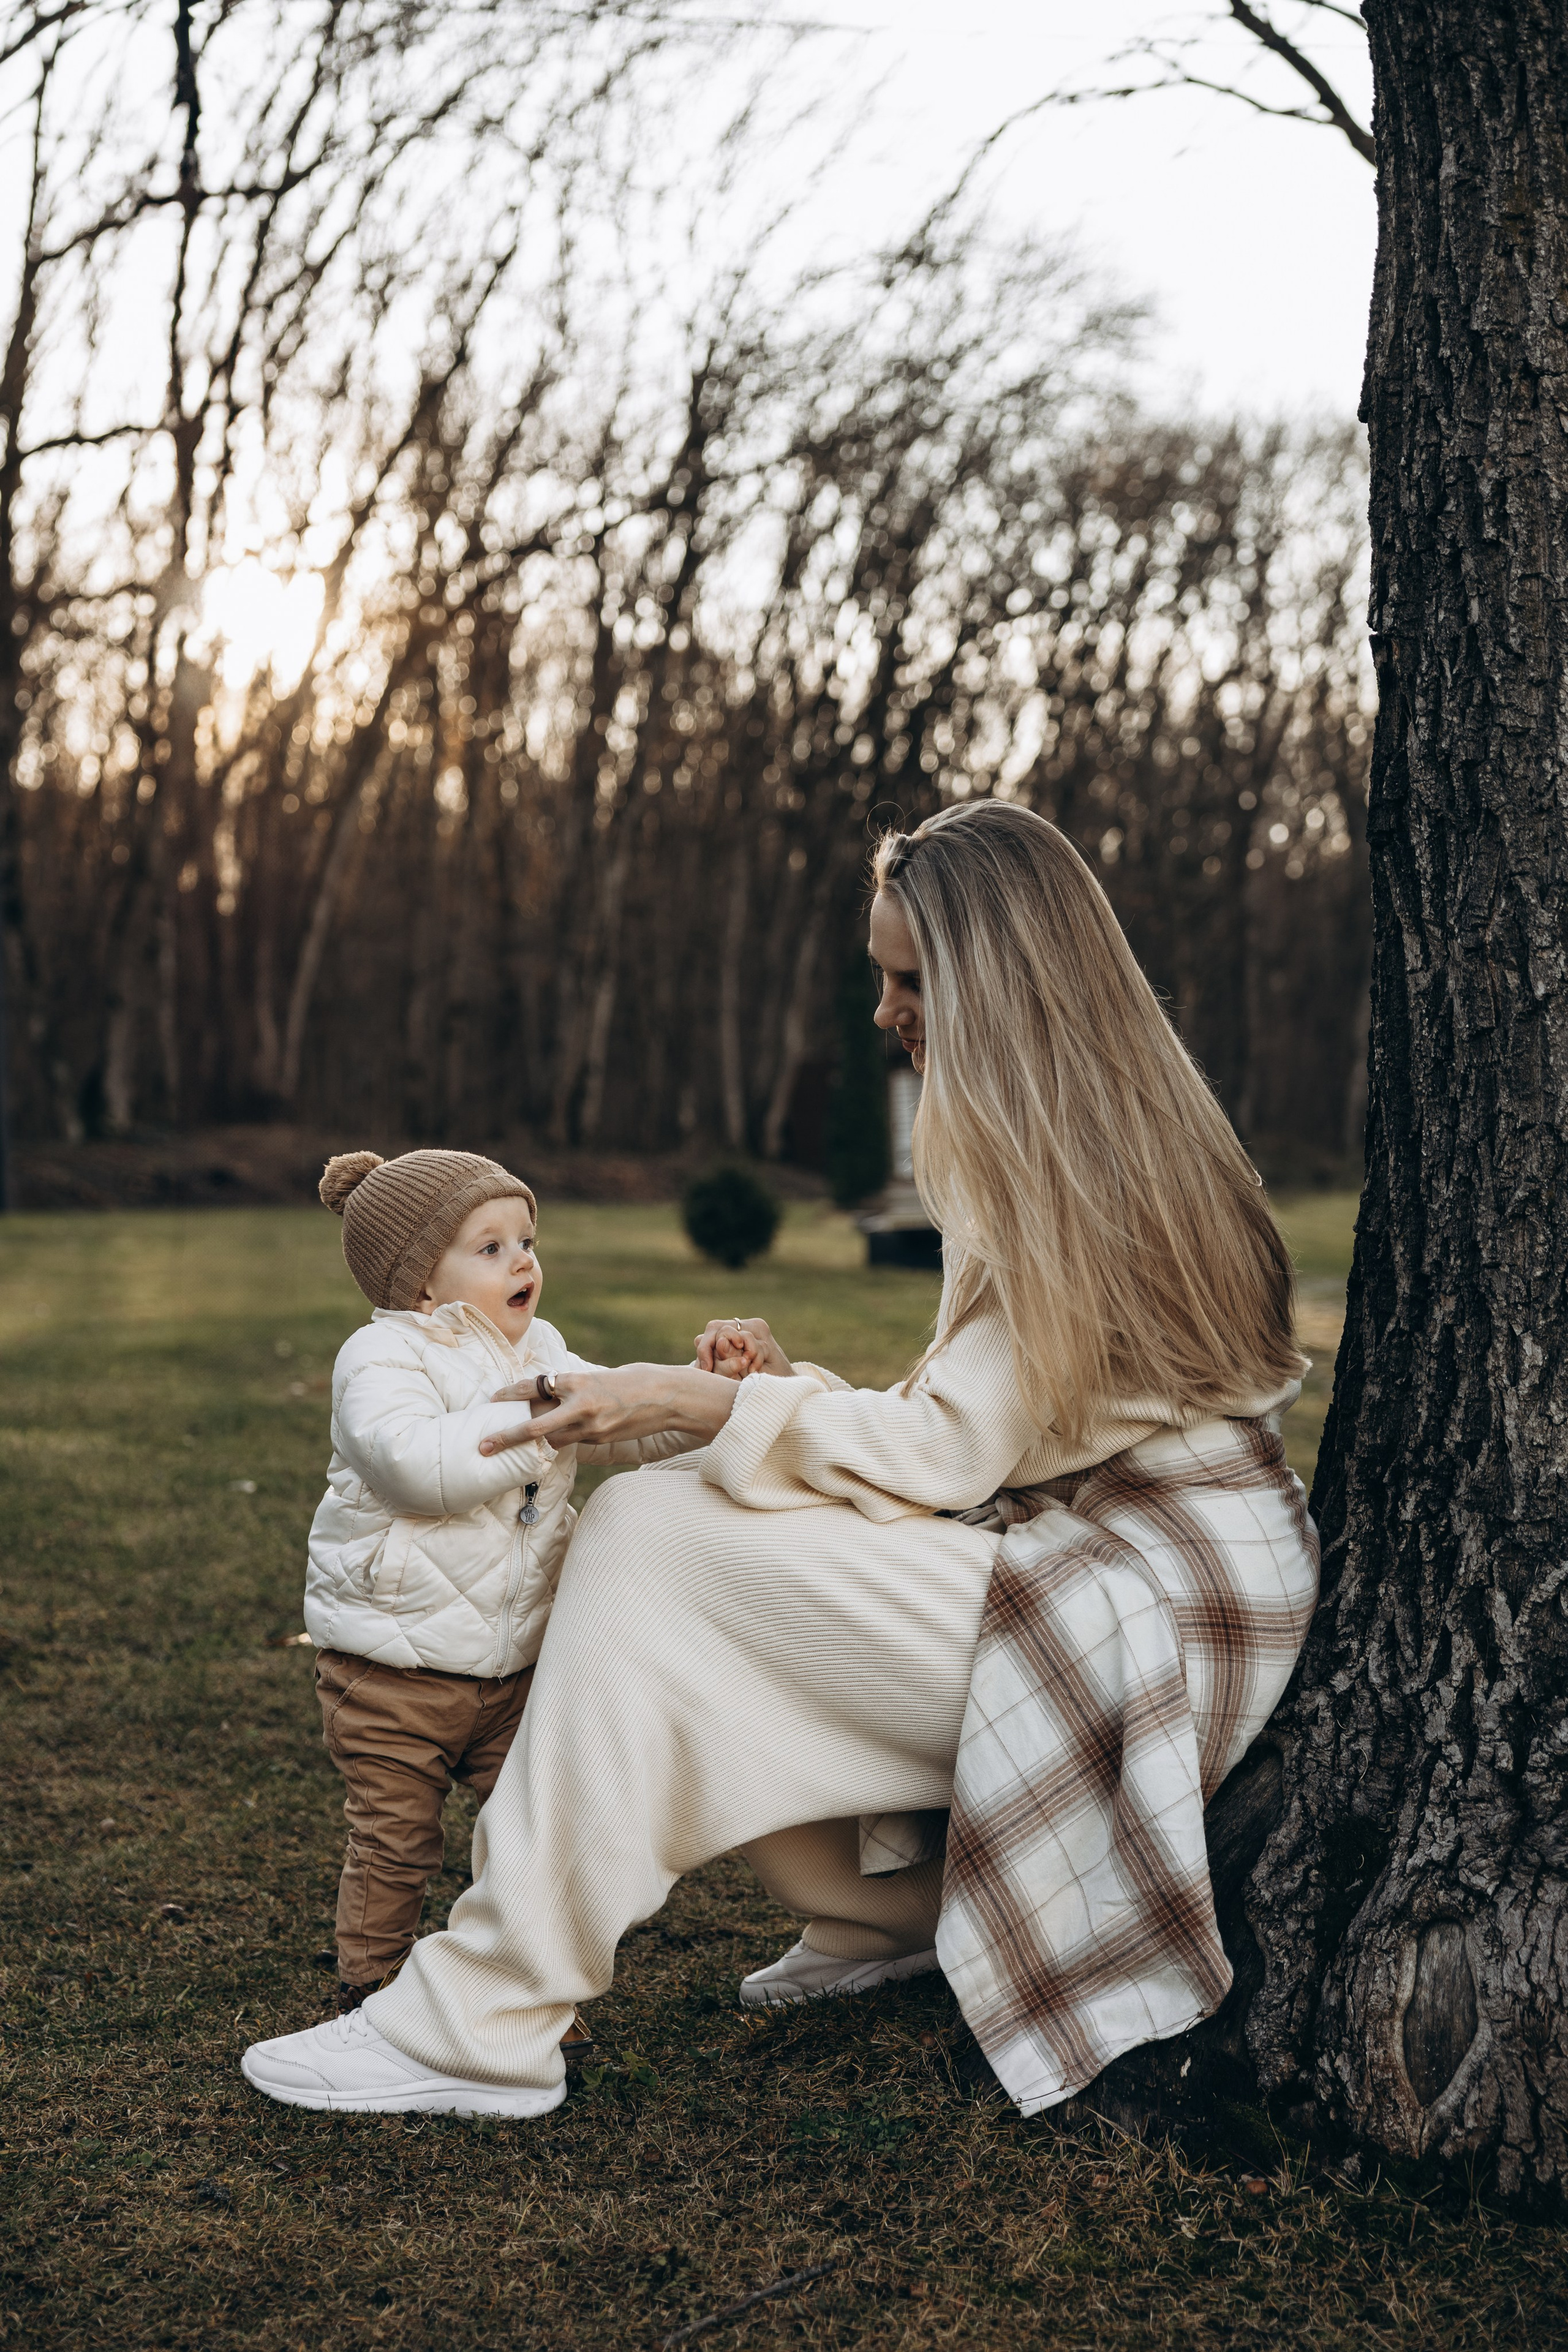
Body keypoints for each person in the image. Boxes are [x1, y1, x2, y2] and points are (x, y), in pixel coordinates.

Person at [241, 800, 1312, 2119]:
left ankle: (484, 2017)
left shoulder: (1066, 1182)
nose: (883, 1011)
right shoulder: (1092, 1140)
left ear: (997, 986)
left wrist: (687, 1400)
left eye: (909, 981)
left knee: (652, 1537)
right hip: (1137, 1566)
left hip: (1145, 1607)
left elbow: (945, 1453)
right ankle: (880, 1913)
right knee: (695, 1518)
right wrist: (771, 1398)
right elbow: (984, 1424)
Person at [296, 1147, 700, 2020]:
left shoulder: (540, 1350)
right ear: (419, 1282)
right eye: (490, 1248)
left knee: (534, 1830)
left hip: (515, 1666)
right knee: (398, 1841)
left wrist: (704, 1400)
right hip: (391, 1670)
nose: (522, 1262)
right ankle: (370, 1989)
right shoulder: (381, 1359)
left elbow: (618, 1426)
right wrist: (544, 1418)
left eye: (527, 1241)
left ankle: (522, 1986)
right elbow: (418, 1468)